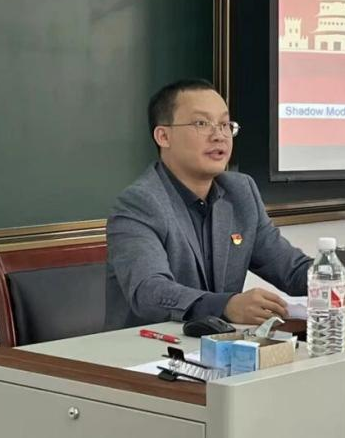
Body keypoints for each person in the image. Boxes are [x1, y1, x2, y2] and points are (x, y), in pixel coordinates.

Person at [105, 79, 310, 328]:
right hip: (149, 346)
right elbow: (149, 291)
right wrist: (226, 306)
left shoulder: (240, 192)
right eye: (201, 124)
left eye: (225, 124)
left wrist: (343, 276)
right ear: (163, 136)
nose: (219, 136)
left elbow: (292, 270)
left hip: (220, 345)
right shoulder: (140, 203)